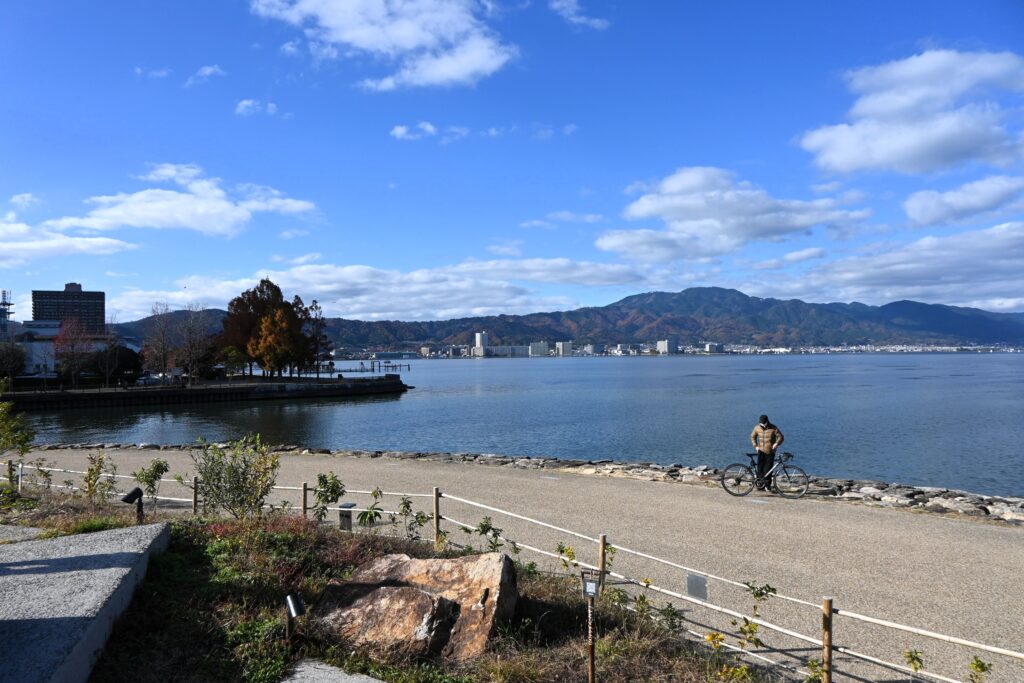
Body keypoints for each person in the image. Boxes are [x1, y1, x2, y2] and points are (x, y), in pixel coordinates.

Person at [750, 414, 784, 489]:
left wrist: (776, 444)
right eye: (761, 423)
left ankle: (767, 486)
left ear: (767, 422)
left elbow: (781, 437)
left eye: (763, 423)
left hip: (770, 452)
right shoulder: (757, 428)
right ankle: (760, 485)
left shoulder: (773, 428)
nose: (762, 424)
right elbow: (752, 437)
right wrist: (756, 446)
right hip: (760, 451)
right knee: (760, 469)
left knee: (768, 470)